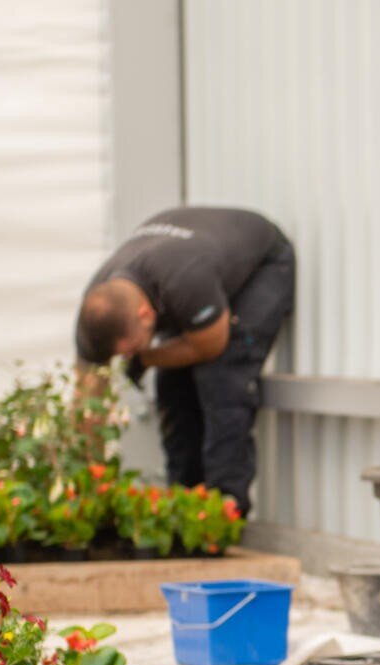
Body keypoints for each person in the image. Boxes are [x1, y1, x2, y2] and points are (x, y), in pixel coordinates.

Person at [73, 206, 295, 516]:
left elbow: (209, 345)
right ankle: (185, 503)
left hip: (262, 264)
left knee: (222, 374)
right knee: (172, 384)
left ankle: (223, 511)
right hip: (190, 262)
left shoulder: (185, 280)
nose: (126, 358)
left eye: (130, 349)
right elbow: (87, 396)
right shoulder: (98, 310)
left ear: (146, 315)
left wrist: (148, 357)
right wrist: (85, 480)